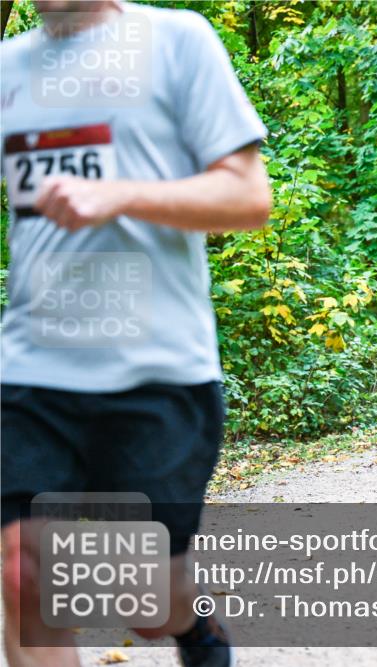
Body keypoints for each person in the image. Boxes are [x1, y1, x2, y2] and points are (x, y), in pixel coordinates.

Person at [1, 3, 271, 666]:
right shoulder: (9, 68)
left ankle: (194, 626)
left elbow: (248, 197)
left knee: (148, 603)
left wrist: (121, 195)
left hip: (158, 369)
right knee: (22, 570)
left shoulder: (178, 41)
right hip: (30, 367)